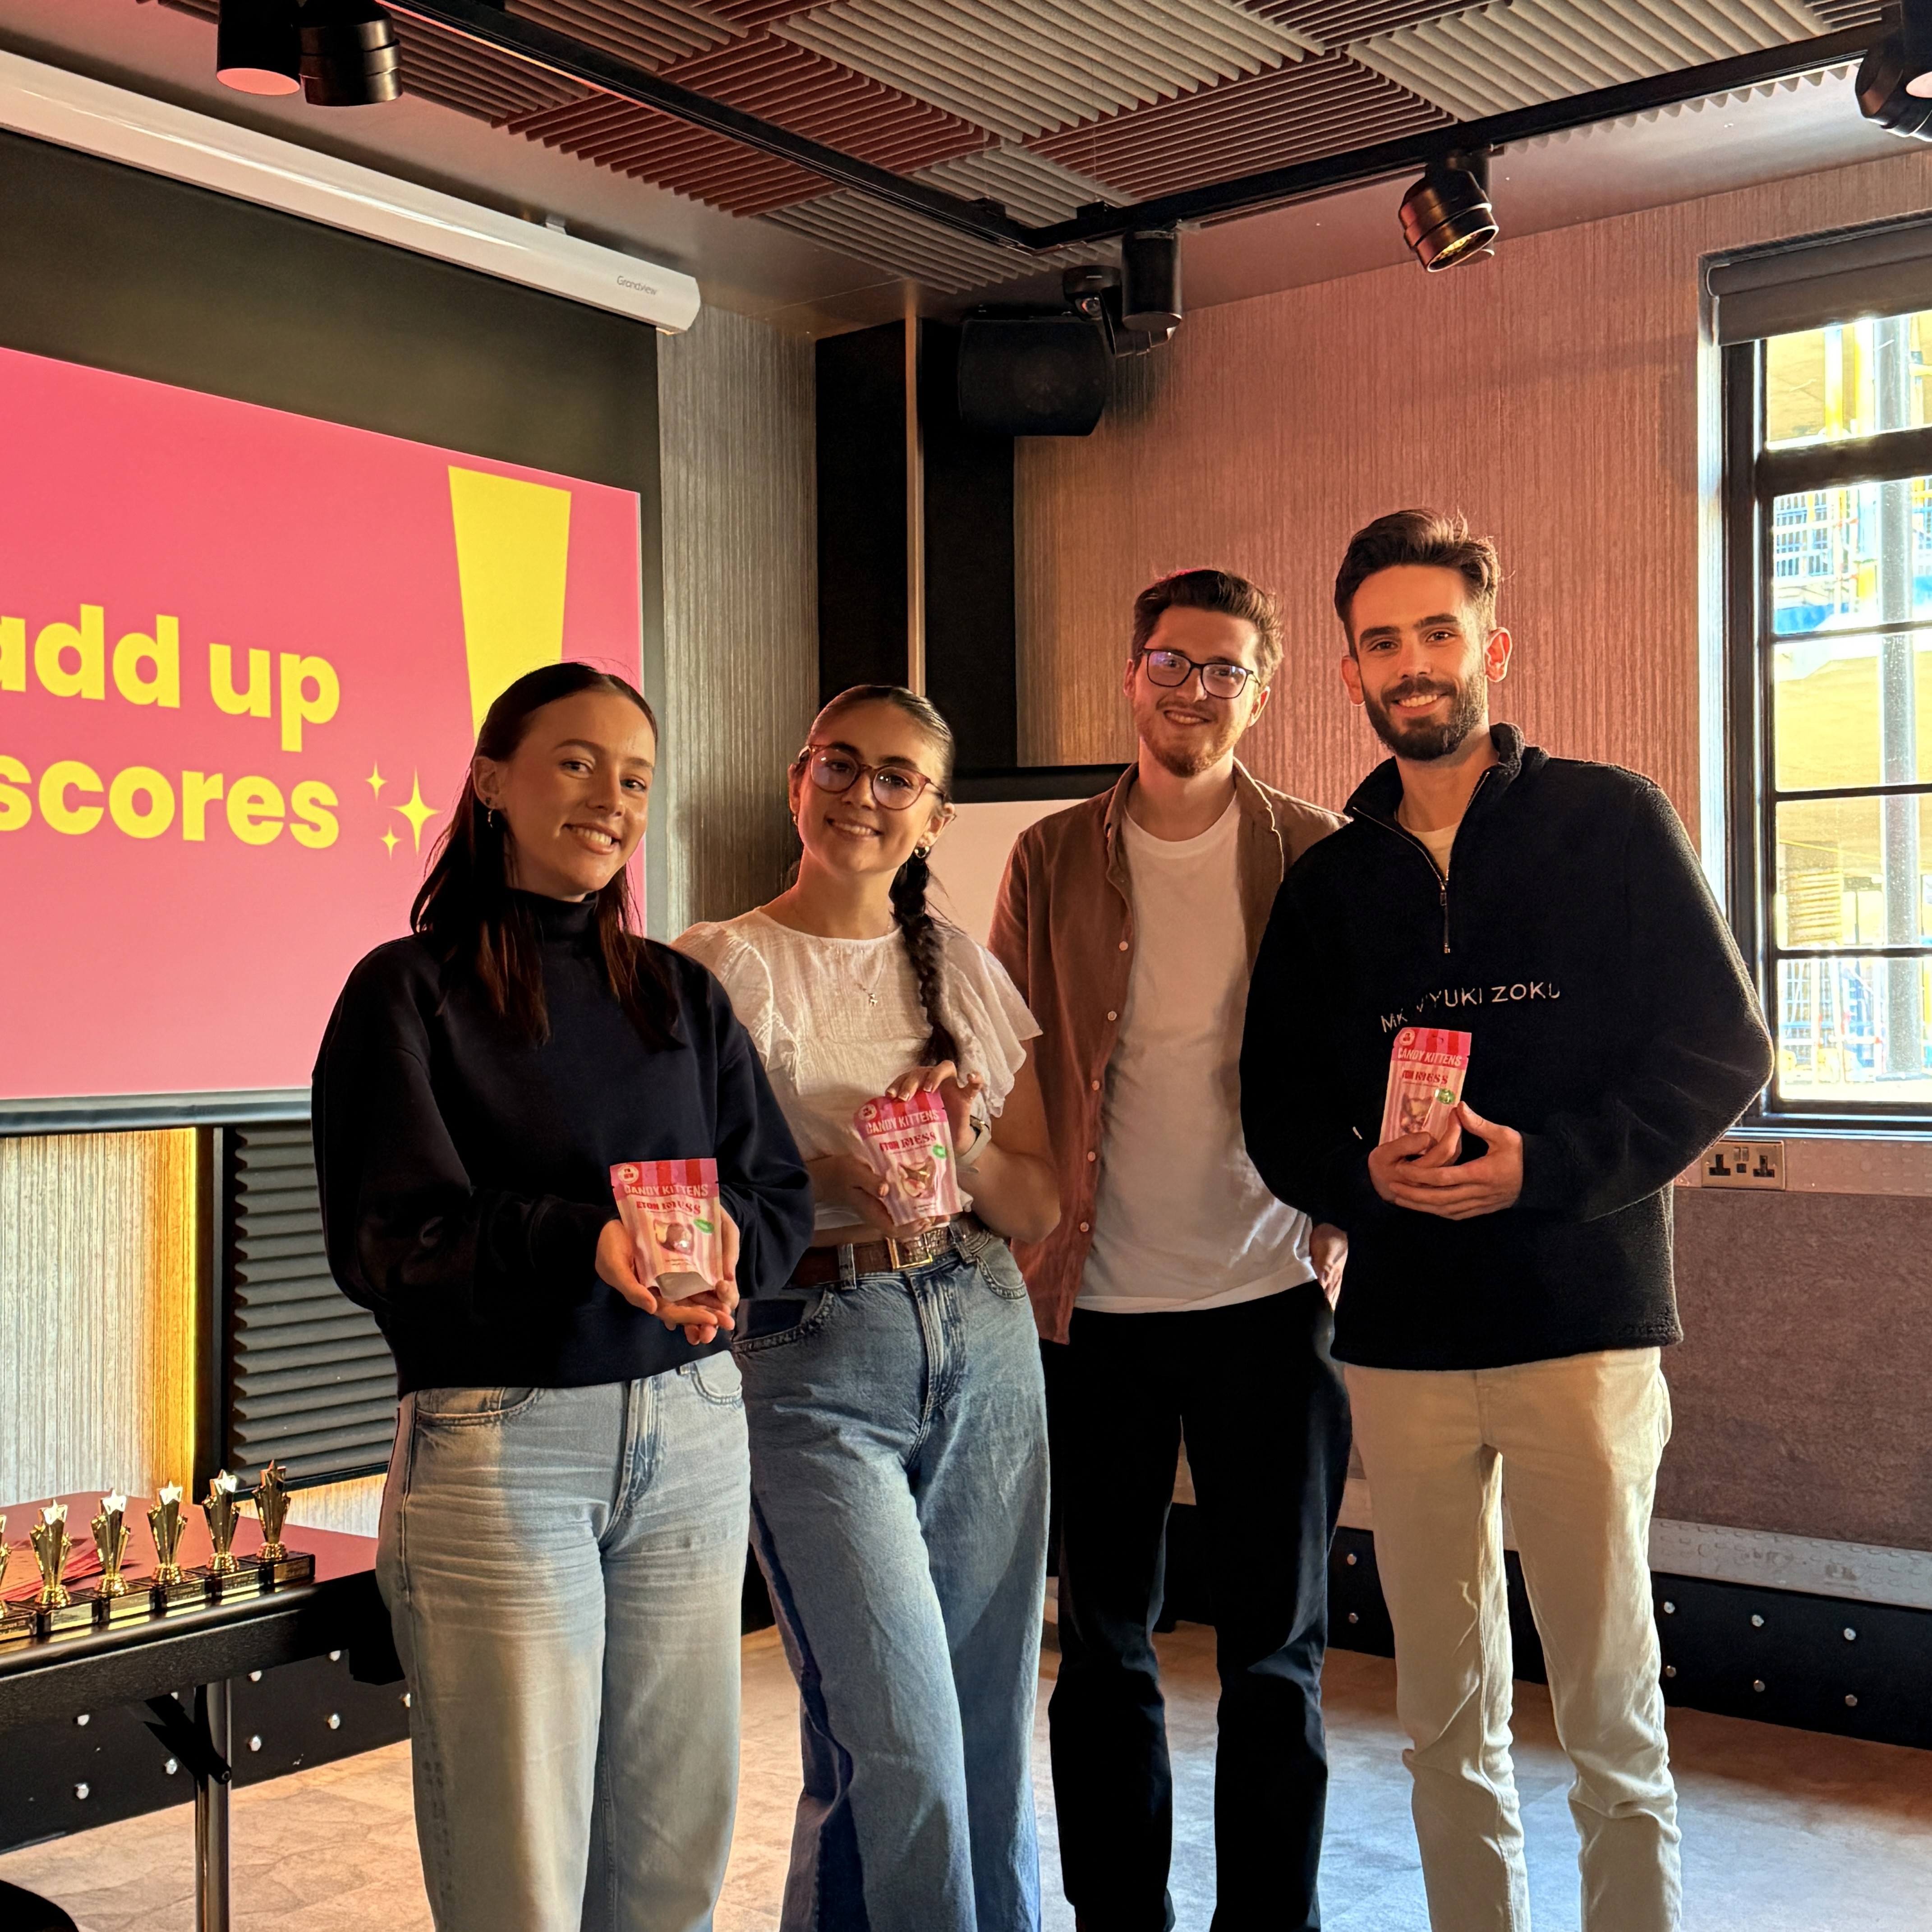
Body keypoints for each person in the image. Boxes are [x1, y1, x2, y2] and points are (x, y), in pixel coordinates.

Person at [1240, 510, 1775, 1932]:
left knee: (1608, 1709)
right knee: (1441, 1712)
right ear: (1347, 672)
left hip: (1580, 1323)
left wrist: (1541, 1165)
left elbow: (1722, 1050)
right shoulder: (1327, 882)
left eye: (1434, 632)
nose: (1410, 664)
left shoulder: (1611, 819)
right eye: (1378, 642)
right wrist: (1365, 1182)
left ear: (1491, 643)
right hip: (1403, 1340)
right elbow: (1277, 1110)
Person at [313, 662, 813, 1932]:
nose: (610, 796)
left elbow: (773, 1197)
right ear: (491, 779)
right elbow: (393, 1238)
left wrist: (718, 1257)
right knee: (520, 1867)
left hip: (693, 1429)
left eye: (635, 776)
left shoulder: (678, 993)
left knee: (670, 1853)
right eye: (576, 761)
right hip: (501, 1453)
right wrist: (583, 1241)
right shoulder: (404, 992)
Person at [989, 568, 1352, 1932]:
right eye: (1171, 662)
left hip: (1269, 1303)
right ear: (1130, 674)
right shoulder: (1046, 857)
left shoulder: (1312, 852)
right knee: (1102, 1647)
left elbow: (1360, 1058)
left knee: (1277, 1654)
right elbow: (1012, 1064)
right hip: (1093, 1314)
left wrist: (1343, 1215)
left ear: (1258, 690)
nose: (1193, 689)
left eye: (1223, 669)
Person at [676, 685, 1061, 1932]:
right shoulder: (718, 965)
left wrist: (966, 1141)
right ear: (797, 779)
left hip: (984, 1331)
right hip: (811, 1354)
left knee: (986, 1740)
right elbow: (680, 1198)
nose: (863, 794)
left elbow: (1037, 1201)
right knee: (897, 1743)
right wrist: (824, 1182)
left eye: (899, 777)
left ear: (935, 814)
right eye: (840, 765)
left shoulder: (963, 971)